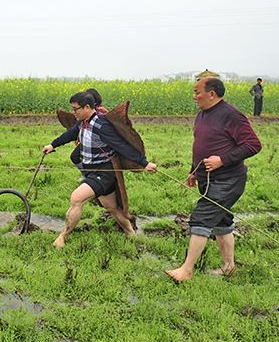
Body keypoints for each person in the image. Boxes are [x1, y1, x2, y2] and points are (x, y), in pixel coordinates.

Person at [165, 77, 262, 282]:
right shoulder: (202, 115)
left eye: (197, 92)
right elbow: (201, 145)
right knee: (221, 221)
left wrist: (223, 160)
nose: (194, 97)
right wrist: (194, 171)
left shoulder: (231, 115)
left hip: (228, 179)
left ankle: (187, 270)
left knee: (201, 218)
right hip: (207, 178)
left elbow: (253, 144)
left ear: (212, 94)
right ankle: (229, 267)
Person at [42, 91, 157, 248]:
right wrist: (52, 145)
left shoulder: (101, 126)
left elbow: (121, 146)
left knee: (76, 198)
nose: (73, 112)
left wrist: (144, 163)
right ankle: (131, 233)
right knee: (112, 208)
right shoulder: (82, 123)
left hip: (103, 173)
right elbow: (69, 134)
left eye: (76, 109)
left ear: (87, 107)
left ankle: (63, 236)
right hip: (92, 172)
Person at [71, 88, 109, 168]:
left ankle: (86, 173)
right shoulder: (91, 110)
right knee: (75, 157)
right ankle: (86, 173)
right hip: (87, 140)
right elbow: (80, 126)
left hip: (95, 142)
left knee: (74, 156)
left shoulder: (98, 111)